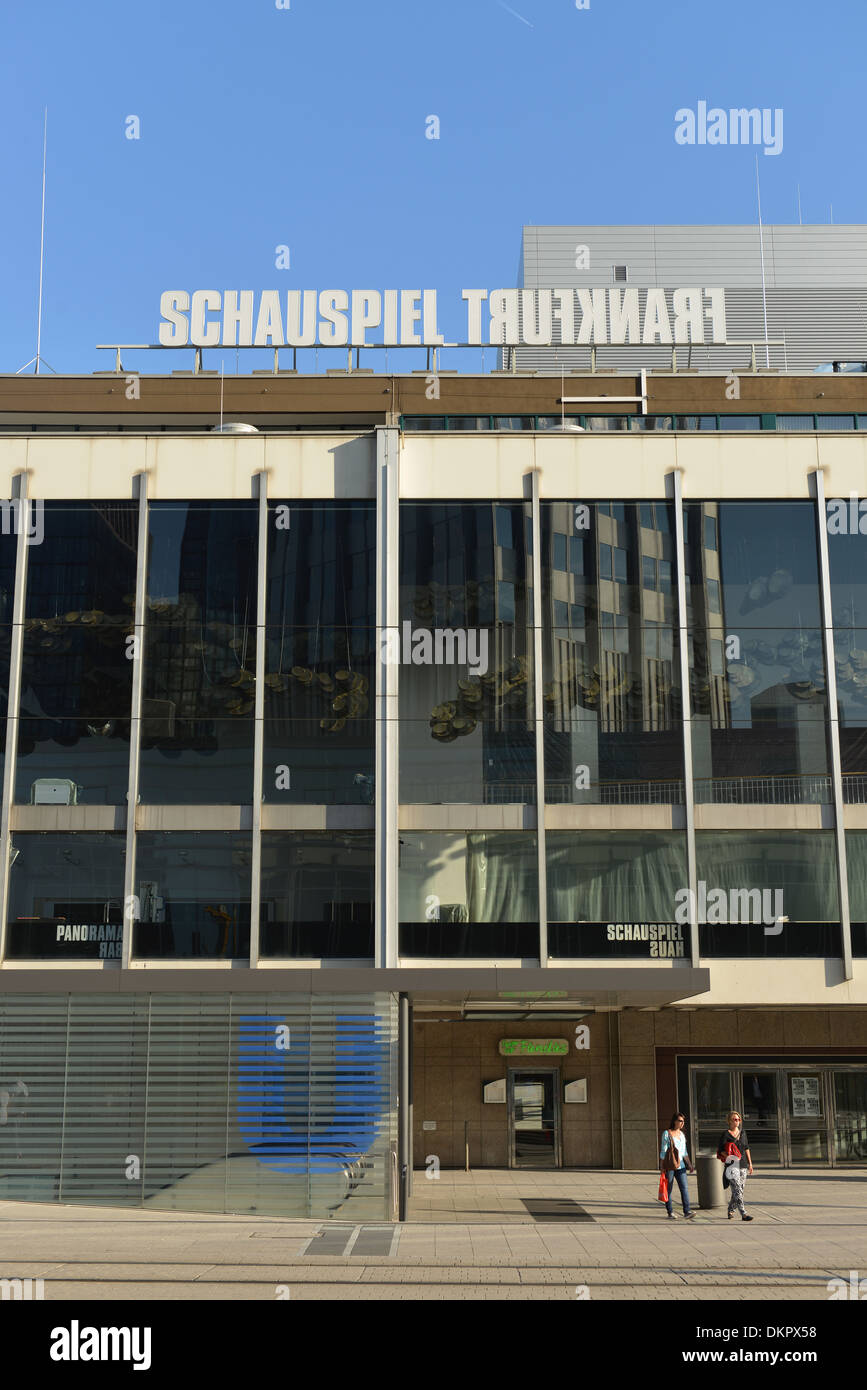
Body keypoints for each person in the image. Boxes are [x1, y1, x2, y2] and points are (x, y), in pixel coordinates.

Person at [716, 1109, 755, 1221]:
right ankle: (743, 1213)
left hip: (743, 1165)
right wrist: (728, 1155)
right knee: (737, 1189)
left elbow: (746, 1148)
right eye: (734, 1119)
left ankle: (730, 1210)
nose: (737, 1121)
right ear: (729, 1121)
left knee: (740, 1189)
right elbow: (720, 1151)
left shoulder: (743, 1133)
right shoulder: (725, 1134)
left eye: (738, 1119)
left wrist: (750, 1164)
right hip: (731, 1166)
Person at [659, 1112, 695, 1220]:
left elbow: (684, 1152)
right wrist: (661, 1166)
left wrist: (689, 1164)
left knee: (684, 1188)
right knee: (668, 1189)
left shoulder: (682, 1135)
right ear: (675, 1121)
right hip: (669, 1166)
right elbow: (663, 1151)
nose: (682, 1123)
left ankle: (687, 1211)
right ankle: (670, 1212)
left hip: (681, 1166)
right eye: (680, 1121)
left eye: (683, 1121)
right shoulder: (667, 1133)